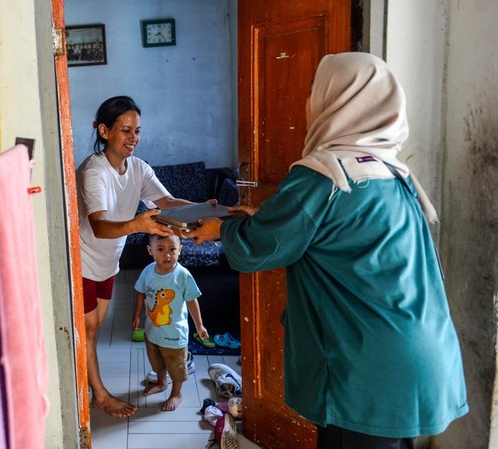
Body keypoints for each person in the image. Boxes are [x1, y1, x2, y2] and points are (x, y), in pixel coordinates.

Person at [186, 52, 468, 448]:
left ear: (338, 101)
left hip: (365, 367)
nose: (307, 103)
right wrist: (264, 217)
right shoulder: (392, 172)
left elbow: (256, 249)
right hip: (420, 353)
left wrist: (222, 228)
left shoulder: (323, 175)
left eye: (313, 92)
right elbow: (339, 232)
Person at [77, 95, 197, 418]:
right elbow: (99, 226)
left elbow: (167, 202)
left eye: (137, 131)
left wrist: (208, 209)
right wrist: (137, 224)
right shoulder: (94, 171)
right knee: (88, 329)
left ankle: (88, 384)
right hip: (84, 258)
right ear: (104, 131)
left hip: (108, 262)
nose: (134, 138)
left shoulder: (139, 168)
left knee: (94, 326)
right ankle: (99, 395)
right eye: (126, 130)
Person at [132, 233, 209, 411]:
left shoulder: (182, 275)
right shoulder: (148, 271)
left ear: (180, 250)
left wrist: (199, 325)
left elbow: (192, 300)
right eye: (160, 249)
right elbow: (141, 293)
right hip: (152, 331)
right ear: (150, 250)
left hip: (174, 334)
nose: (167, 255)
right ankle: (161, 382)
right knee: (156, 361)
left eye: (172, 249)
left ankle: (176, 394)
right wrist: (136, 315)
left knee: (176, 366)